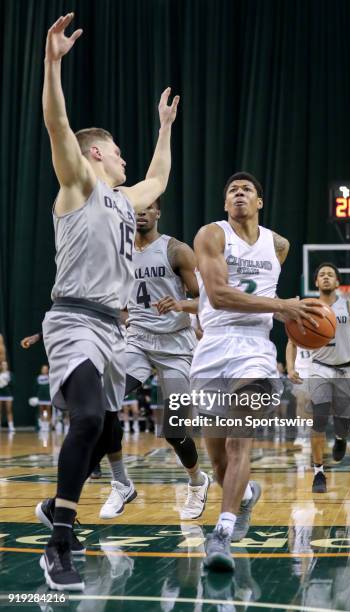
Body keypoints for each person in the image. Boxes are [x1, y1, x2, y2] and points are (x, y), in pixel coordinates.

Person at [36, 13, 179, 591]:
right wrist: (52, 64)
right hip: (73, 317)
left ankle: (56, 506)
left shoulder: (124, 201)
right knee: (90, 417)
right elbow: (57, 122)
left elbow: (159, 179)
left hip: (114, 330)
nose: (124, 158)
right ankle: (59, 544)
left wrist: (164, 126)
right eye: (116, 149)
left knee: (101, 432)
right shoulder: (78, 181)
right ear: (95, 155)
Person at [190, 171, 323, 571]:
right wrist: (282, 306)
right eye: (232, 190)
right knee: (218, 463)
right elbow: (218, 295)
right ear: (225, 202)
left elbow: (263, 298)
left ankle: (222, 533)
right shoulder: (211, 235)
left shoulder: (277, 244)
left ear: (259, 201)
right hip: (213, 346)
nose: (239, 194)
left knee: (238, 441)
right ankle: (245, 493)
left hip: (256, 352)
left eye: (246, 190)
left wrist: (286, 314)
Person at [113, 198, 210, 523]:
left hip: (175, 345)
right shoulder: (120, 252)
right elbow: (117, 299)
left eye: (148, 207)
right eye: (135, 207)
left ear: (158, 212)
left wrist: (182, 304)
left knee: (174, 430)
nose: (141, 212)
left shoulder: (177, 250)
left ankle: (197, 482)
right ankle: (119, 480)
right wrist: (123, 316)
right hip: (138, 340)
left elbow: (207, 300)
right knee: (106, 399)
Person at [287, 263, 350, 494]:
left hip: (345, 370)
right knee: (319, 417)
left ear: (337, 283)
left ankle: (341, 437)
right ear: (316, 282)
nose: (326, 277)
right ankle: (318, 472)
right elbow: (292, 341)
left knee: (343, 422)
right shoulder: (307, 307)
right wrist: (290, 367)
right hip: (320, 369)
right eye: (322, 275)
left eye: (330, 275)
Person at [0, 361, 15, 432]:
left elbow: (13, 383)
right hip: (0, 394)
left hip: (8, 394)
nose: (4, 366)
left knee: (9, 410)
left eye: (5, 365)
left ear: (7, 366)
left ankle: (11, 426)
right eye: (3, 365)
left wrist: (7, 383)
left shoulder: (10, 374)